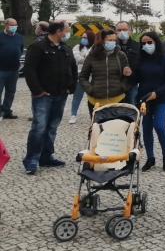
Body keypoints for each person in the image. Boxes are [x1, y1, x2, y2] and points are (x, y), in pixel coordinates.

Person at [22, 20, 77, 174]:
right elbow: (29, 69)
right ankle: (31, 159)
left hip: (61, 94)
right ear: (58, 31)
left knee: (52, 128)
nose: (68, 33)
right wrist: (37, 90)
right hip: (44, 95)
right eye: (66, 30)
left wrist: (71, 86)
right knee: (39, 127)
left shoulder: (66, 48)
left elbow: (73, 68)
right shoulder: (39, 46)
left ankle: (46, 156)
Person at [134, 32, 165, 171]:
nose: (146, 45)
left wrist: (157, 92)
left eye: (149, 42)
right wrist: (129, 74)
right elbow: (135, 80)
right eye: (144, 43)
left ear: (156, 43)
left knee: (159, 126)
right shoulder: (140, 60)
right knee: (146, 127)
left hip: (161, 98)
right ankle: (150, 158)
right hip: (144, 99)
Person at [78, 29, 131, 115]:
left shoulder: (121, 55)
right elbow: (82, 77)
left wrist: (122, 87)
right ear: (101, 41)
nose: (113, 42)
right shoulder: (92, 56)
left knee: (116, 127)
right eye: (110, 40)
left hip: (117, 100)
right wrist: (90, 89)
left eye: (114, 40)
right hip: (96, 102)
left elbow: (126, 75)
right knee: (97, 127)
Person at [69, 31, 96, 124]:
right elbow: (75, 58)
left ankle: (94, 115)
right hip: (79, 75)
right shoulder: (77, 47)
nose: (83, 39)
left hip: (92, 77)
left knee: (93, 97)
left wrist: (83, 57)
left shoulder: (95, 47)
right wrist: (85, 57)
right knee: (77, 97)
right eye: (83, 37)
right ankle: (73, 115)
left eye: (86, 38)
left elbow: (93, 59)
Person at [0, 18, 24, 119]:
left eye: (15, 25)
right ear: (6, 25)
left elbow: (21, 49)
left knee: (11, 91)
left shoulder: (19, 37)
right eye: (11, 25)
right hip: (1, 69)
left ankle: (7, 110)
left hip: (14, 69)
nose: (14, 27)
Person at [116, 21, 141, 106]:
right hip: (116, 83)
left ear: (129, 30)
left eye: (124, 29)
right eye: (119, 30)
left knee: (132, 106)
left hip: (132, 82)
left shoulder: (137, 45)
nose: (122, 32)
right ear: (116, 31)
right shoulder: (113, 45)